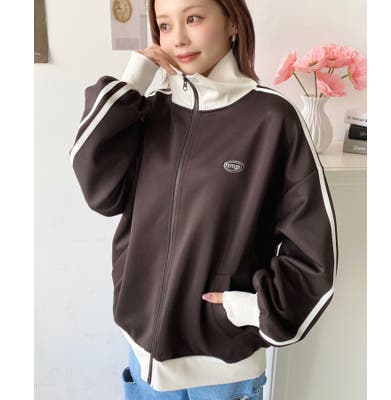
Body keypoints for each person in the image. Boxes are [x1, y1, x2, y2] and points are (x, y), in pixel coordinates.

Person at [69, 0, 339, 398]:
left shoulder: (272, 119)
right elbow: (100, 193)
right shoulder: (150, 112)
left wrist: (251, 309)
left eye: (193, 18)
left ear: (233, 23)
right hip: (142, 358)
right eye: (164, 25)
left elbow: (313, 249)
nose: (177, 38)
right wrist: (133, 80)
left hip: (222, 368)